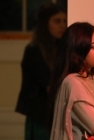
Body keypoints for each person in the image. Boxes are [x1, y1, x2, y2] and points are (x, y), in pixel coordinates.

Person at [14, 2, 66, 140]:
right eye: (57, 21)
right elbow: (49, 84)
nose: (62, 25)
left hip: (56, 113)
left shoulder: (61, 50)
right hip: (40, 116)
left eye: (64, 21)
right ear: (45, 24)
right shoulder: (34, 51)